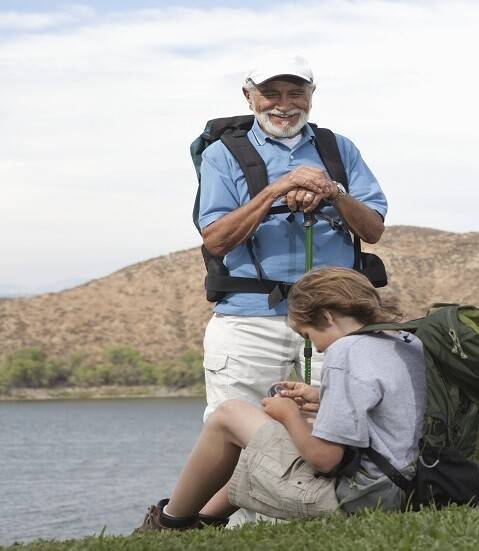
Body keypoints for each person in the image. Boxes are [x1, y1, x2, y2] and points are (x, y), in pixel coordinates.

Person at [136, 268, 426, 531]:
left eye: (308, 335)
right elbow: (390, 410)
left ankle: (170, 522)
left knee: (228, 416)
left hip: (357, 498)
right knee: (264, 439)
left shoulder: (345, 350)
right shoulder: (404, 341)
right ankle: (203, 521)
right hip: (405, 488)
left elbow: (325, 459)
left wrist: (288, 414)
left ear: (326, 317)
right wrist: (321, 398)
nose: (317, 348)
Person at [198, 55, 388, 422]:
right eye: (271, 94)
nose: (284, 105)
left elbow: (373, 230)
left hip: (336, 316)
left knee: (345, 426)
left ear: (312, 95)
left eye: (296, 93)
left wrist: (333, 192)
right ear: (249, 96)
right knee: (236, 427)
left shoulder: (339, 148)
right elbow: (216, 240)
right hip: (250, 318)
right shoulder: (221, 155)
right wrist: (279, 189)